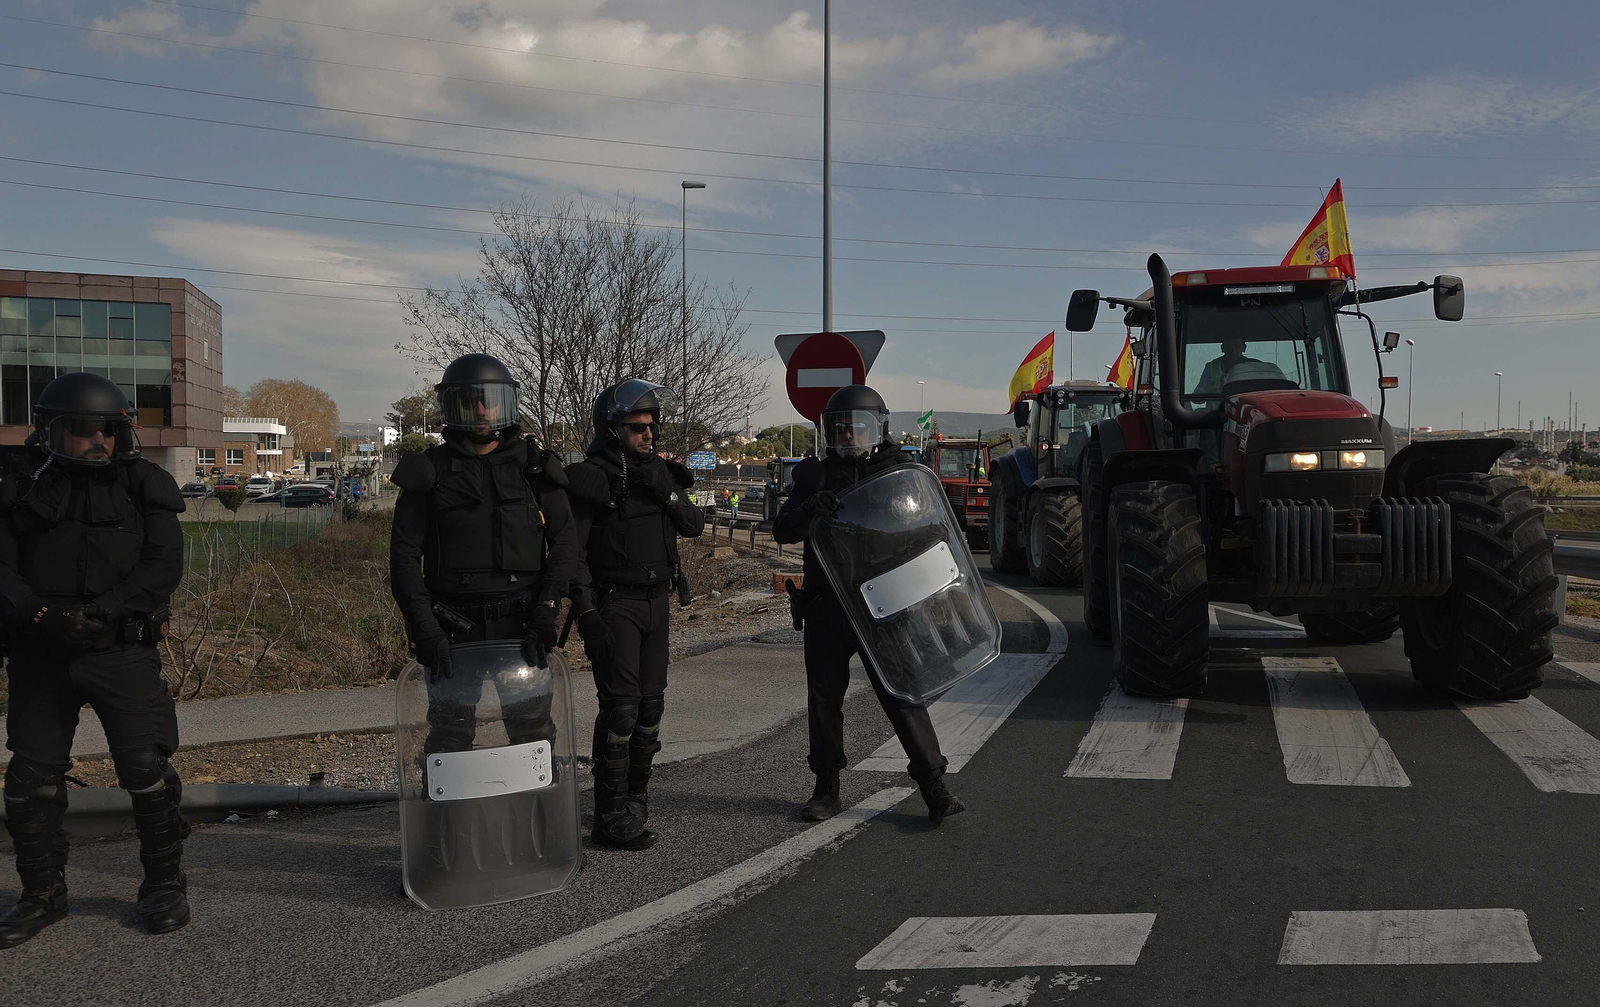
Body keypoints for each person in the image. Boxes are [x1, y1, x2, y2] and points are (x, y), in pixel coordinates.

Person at [0, 373, 188, 945]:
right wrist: (41, 616)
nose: (99, 441)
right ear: (53, 430)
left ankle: (163, 887)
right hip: (41, 652)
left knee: (147, 772)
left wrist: (109, 610)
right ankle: (42, 895)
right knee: (29, 780)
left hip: (120, 650)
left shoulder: (144, 484)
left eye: (109, 429)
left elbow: (163, 565)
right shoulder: (16, 484)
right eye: (84, 431)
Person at [773, 385, 965, 825]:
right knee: (823, 702)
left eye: (856, 426)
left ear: (876, 426)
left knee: (903, 695)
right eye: (838, 427)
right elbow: (782, 529)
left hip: (886, 608)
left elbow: (930, 528)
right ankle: (826, 789)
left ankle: (934, 787)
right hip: (826, 607)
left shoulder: (900, 471)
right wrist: (810, 511)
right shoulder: (815, 477)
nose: (847, 435)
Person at [389, 353, 580, 754]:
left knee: (533, 737)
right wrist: (424, 626)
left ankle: (537, 816)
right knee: (449, 737)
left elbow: (565, 542)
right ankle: (449, 818)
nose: (480, 410)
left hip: (523, 625)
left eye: (489, 399)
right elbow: (404, 557)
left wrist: (548, 607)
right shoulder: (428, 472)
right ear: (450, 405)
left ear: (506, 402)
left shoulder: (534, 469)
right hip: (452, 630)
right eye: (469, 400)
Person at [565, 380, 705, 850]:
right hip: (615, 603)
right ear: (613, 427)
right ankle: (608, 812)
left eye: (651, 427)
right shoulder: (595, 477)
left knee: (650, 709)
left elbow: (693, 525)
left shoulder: (659, 474)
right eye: (636, 427)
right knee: (620, 710)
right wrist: (587, 613)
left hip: (656, 601)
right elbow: (573, 553)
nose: (647, 435)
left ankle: (636, 800)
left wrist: (663, 491)